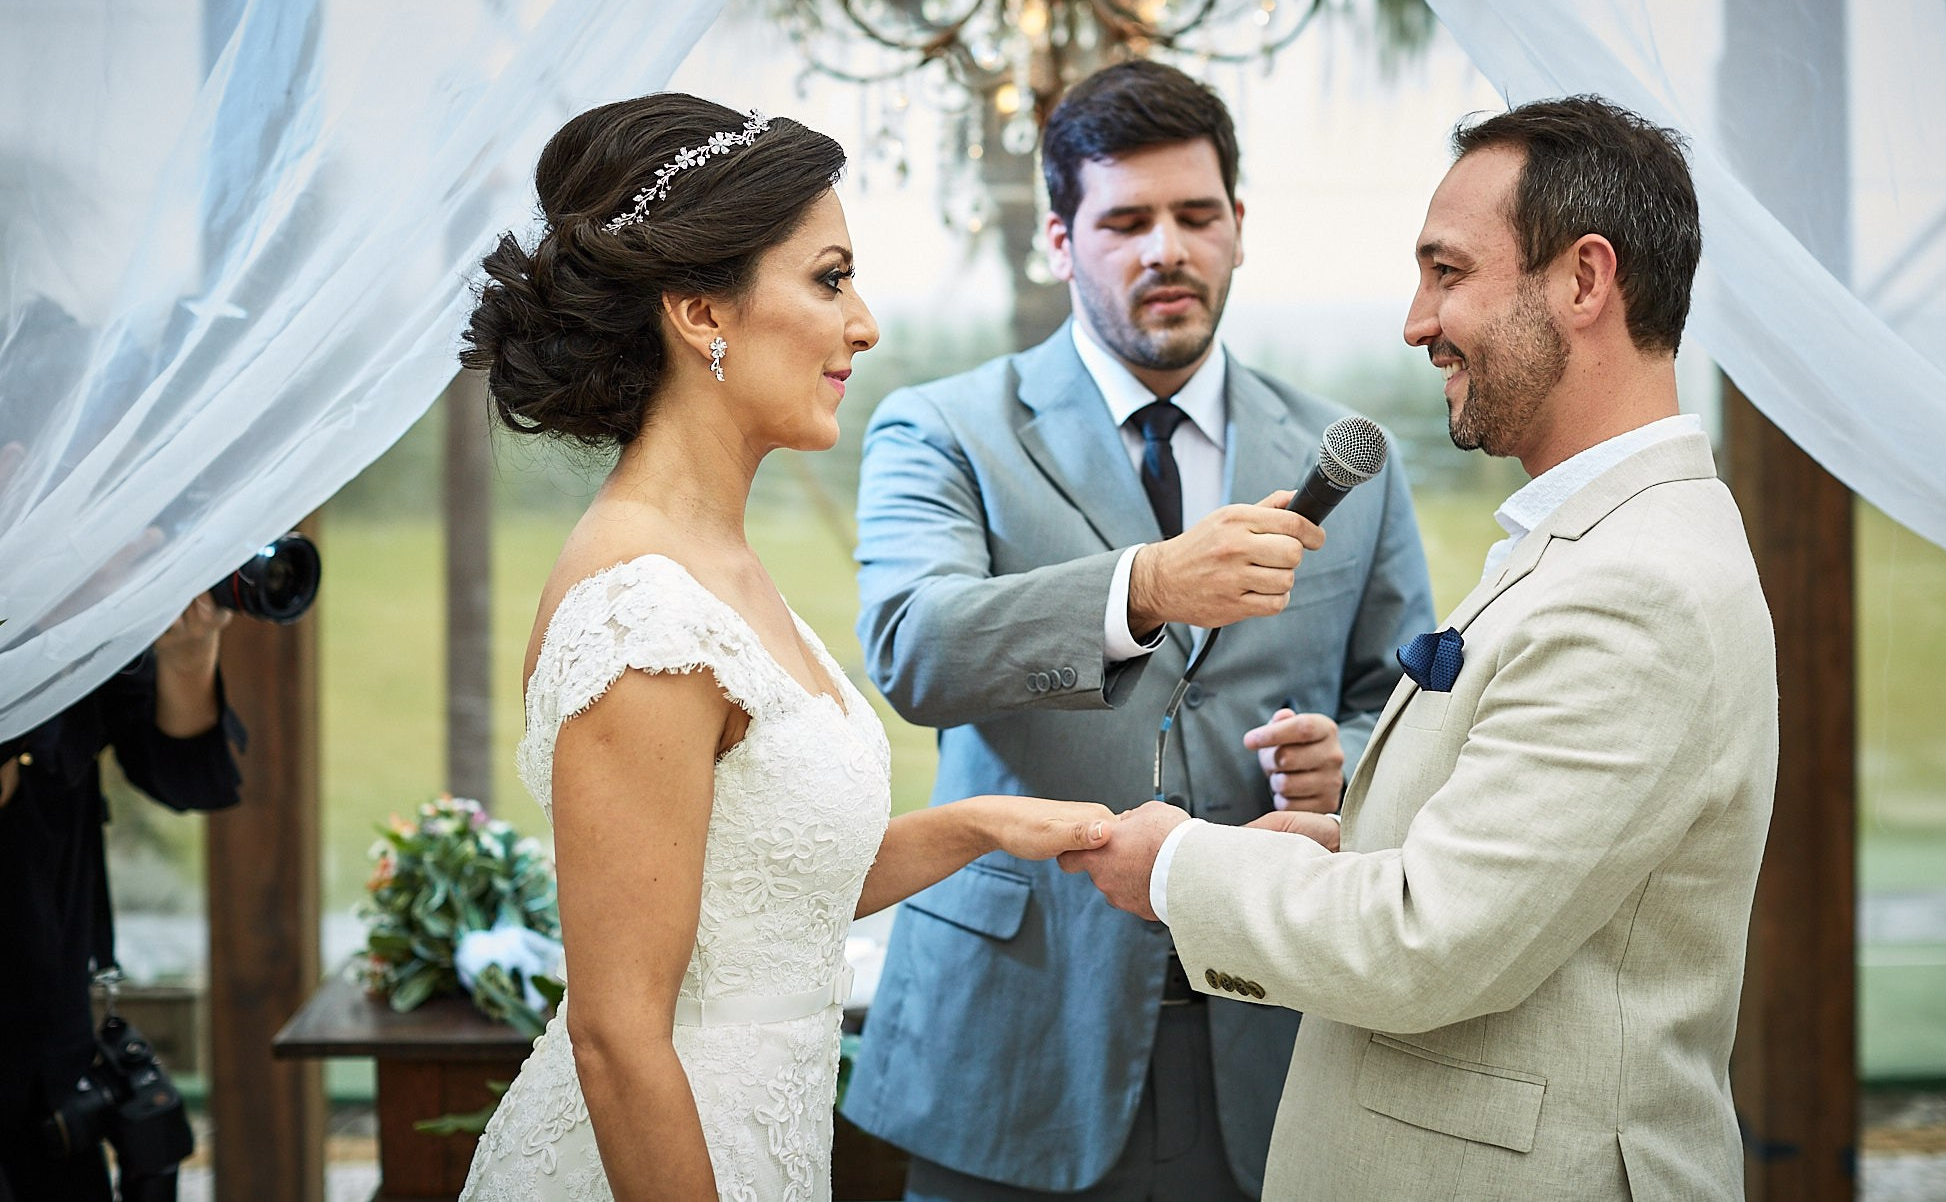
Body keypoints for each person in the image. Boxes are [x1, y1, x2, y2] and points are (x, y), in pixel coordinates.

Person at [1066, 95, 1779, 1200]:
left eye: (1446, 273)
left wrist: (1173, 865)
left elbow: (1426, 943)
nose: (1414, 321)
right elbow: (1512, 867)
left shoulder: (1635, 586)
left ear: (1583, 282)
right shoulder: (1591, 534)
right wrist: (1348, 837)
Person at [453, 94, 1117, 1202]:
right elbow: (619, 1039)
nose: (863, 324)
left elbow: (759, 890)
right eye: (828, 278)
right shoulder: (646, 616)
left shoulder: (716, 564)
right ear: (701, 313)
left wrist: (980, 824)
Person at [840, 60, 1437, 1201]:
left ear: (1238, 228)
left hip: (1274, 1030)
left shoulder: (1345, 454)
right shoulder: (942, 430)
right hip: (1016, 1036)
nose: (1165, 246)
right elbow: (913, 647)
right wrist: (1146, 585)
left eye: (1193, 214)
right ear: (1059, 243)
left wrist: (1346, 758)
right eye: (1124, 221)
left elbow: (1403, 701)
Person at [0, 595, 243, 1202]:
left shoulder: (78, 623)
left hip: (51, 1028)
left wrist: (188, 656)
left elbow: (185, 775)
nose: (147, 541)